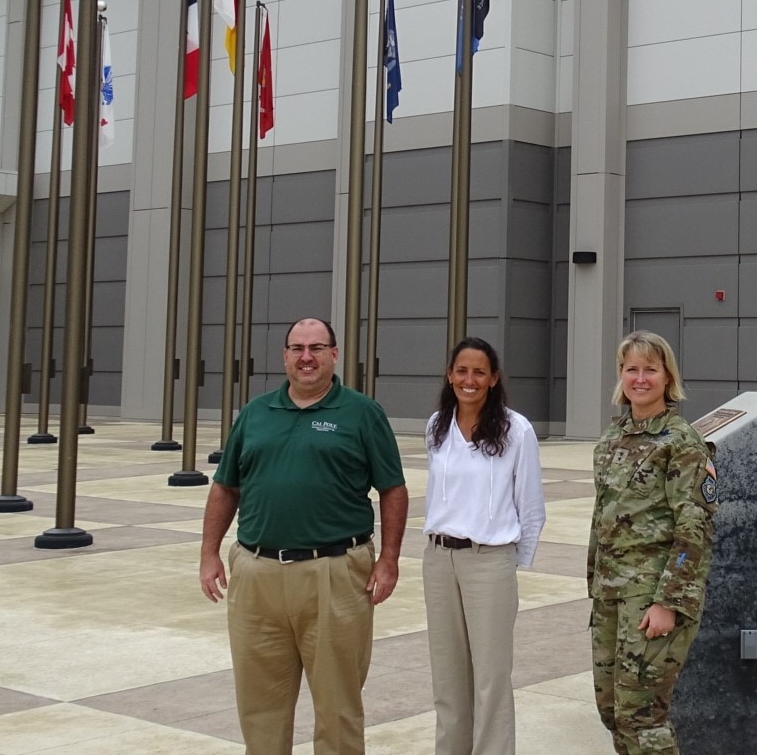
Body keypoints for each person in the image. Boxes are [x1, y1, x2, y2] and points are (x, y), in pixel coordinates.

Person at [198, 317, 408, 755]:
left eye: (316, 347)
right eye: (297, 348)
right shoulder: (255, 413)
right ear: (285, 356)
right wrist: (209, 553)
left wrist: (388, 559)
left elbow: (392, 488)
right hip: (257, 576)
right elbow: (225, 486)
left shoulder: (362, 413)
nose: (306, 357)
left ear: (334, 354)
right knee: (260, 709)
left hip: (334, 574)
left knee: (337, 709)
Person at [588, 330, 718, 755]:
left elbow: (694, 527)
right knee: (612, 711)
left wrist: (669, 602)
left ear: (667, 377)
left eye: (650, 369)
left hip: (653, 598)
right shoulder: (611, 439)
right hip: (609, 596)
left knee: (642, 716)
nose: (640, 378)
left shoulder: (681, 442)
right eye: (631, 369)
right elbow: (601, 520)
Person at [422, 336, 547, 755]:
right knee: (448, 679)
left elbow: (531, 507)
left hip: (489, 562)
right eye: (462, 371)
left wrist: (512, 562)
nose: (469, 380)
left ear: (493, 379)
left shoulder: (516, 429)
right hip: (438, 561)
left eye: (479, 372)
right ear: (449, 375)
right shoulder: (436, 426)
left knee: (491, 679)